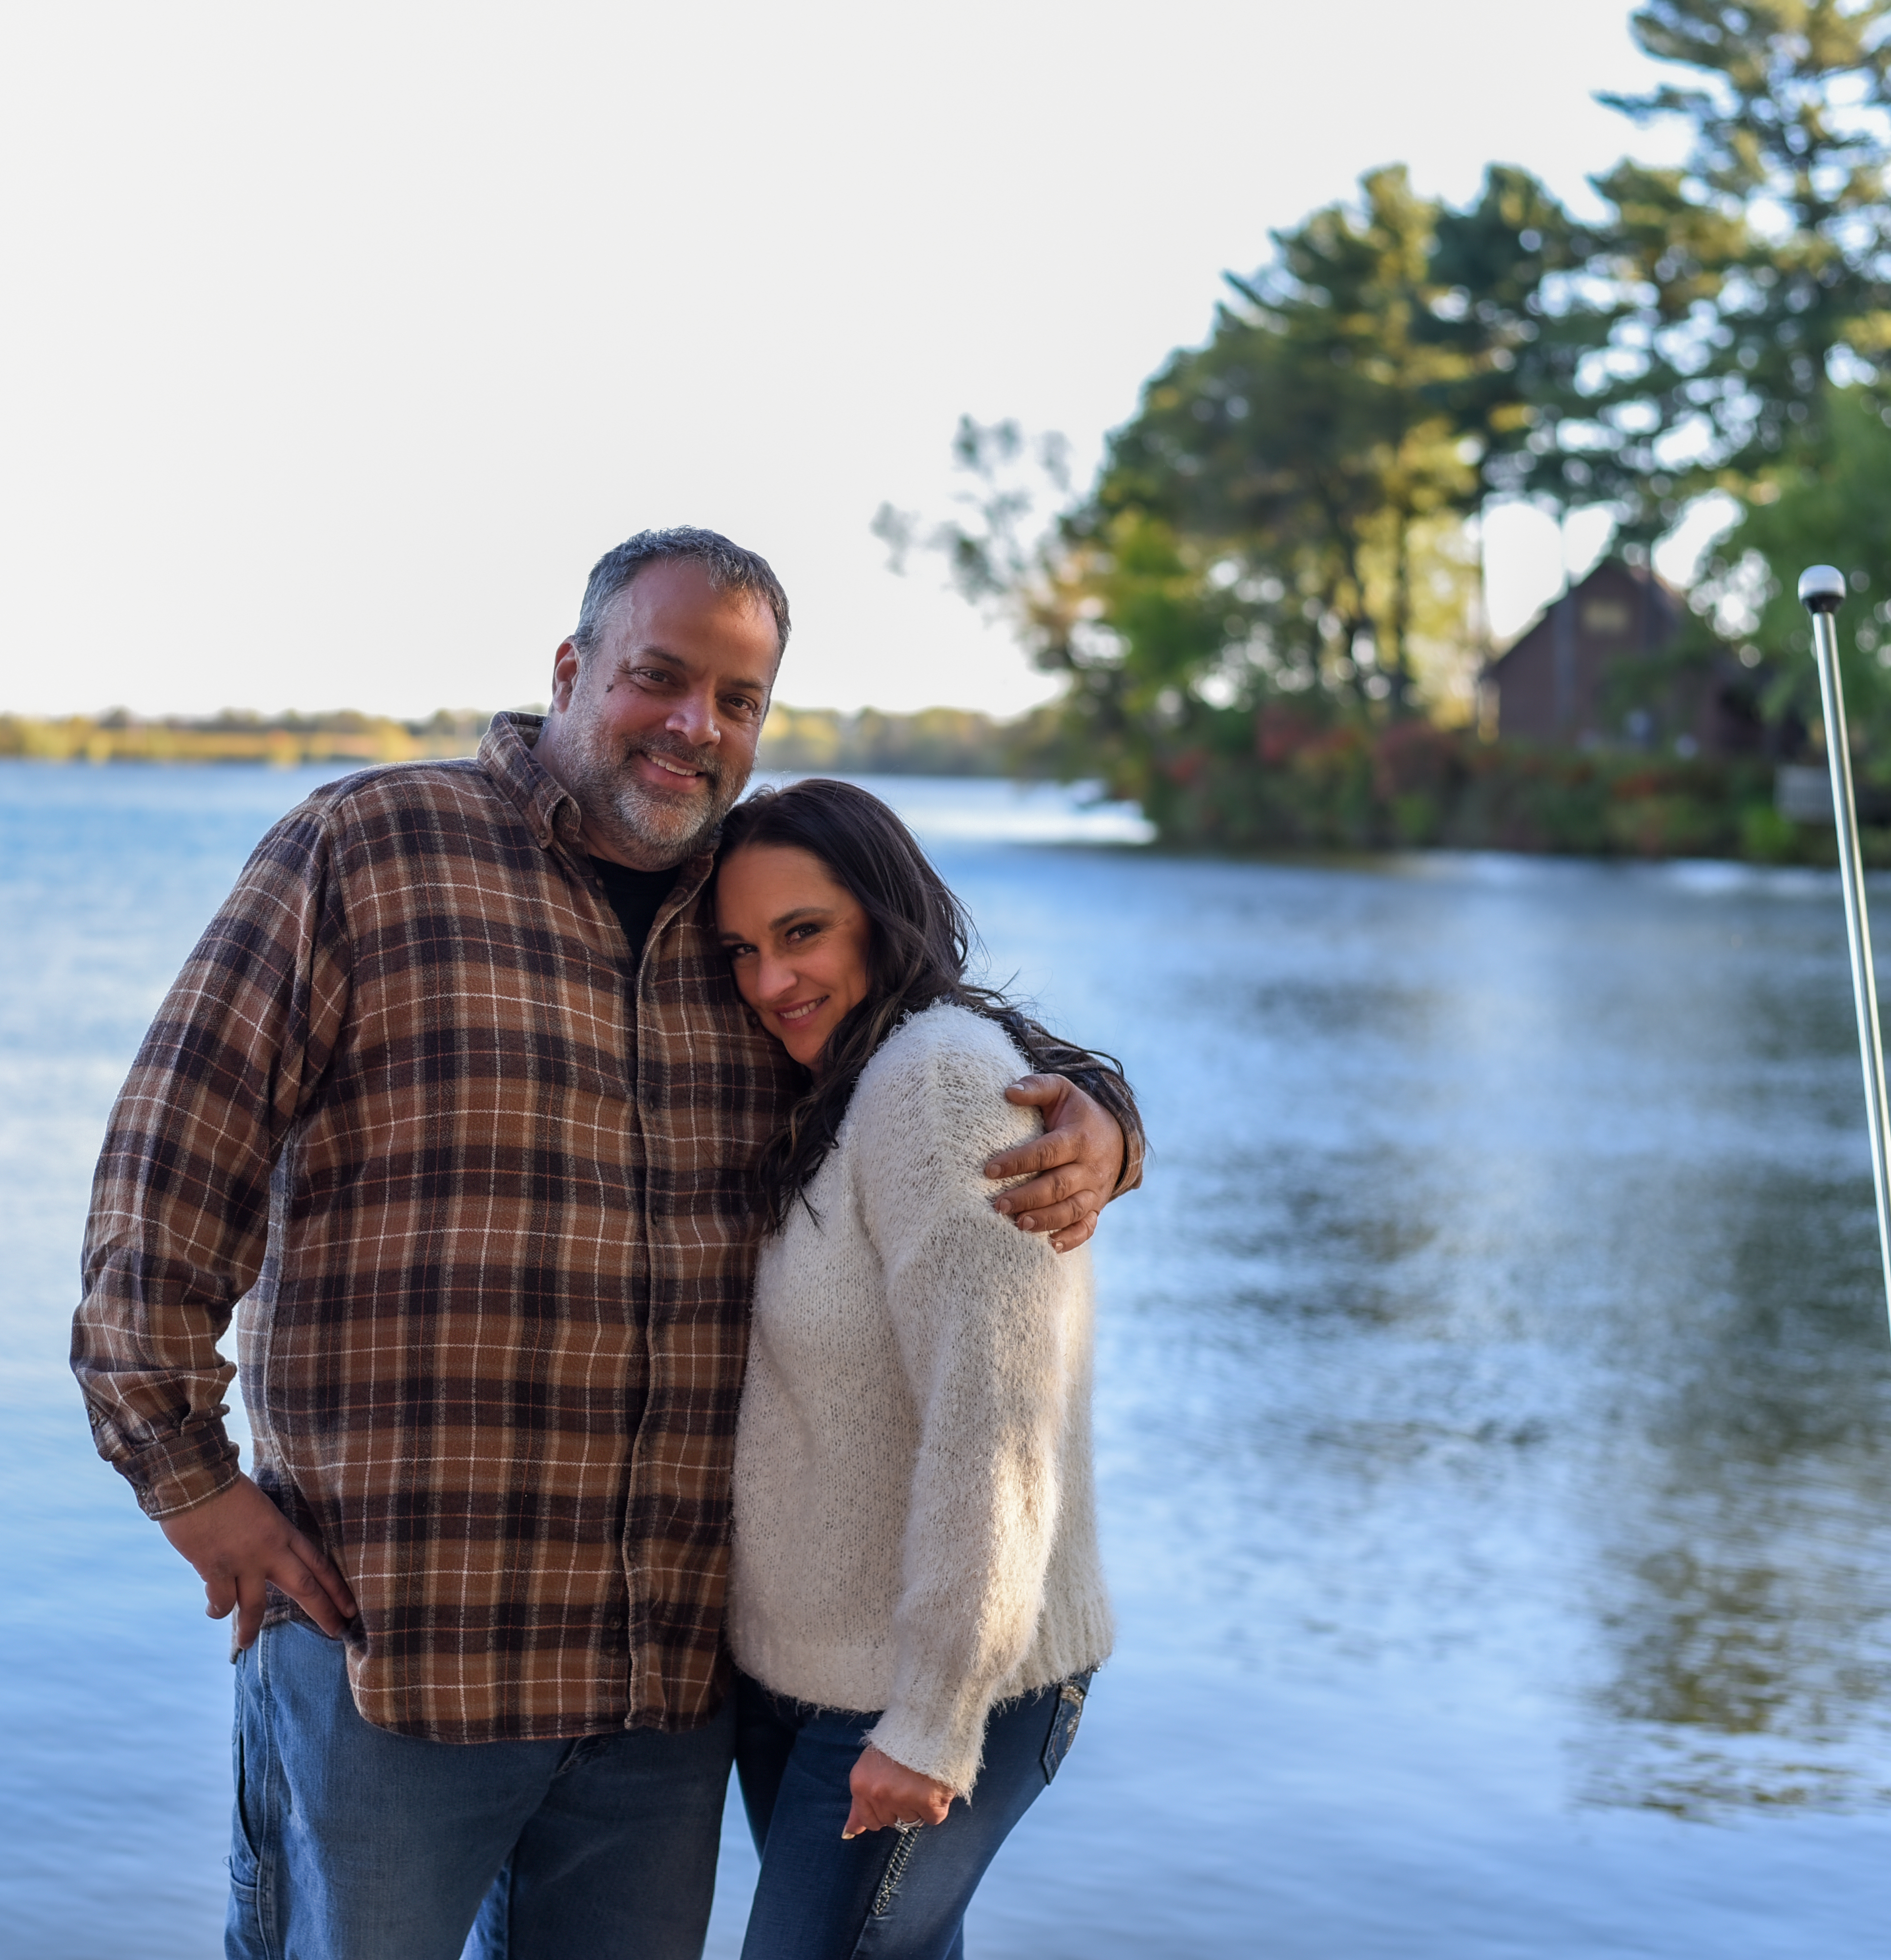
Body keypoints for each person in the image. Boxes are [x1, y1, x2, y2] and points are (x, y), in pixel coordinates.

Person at [70, 527, 1142, 1960]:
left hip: (663, 1701)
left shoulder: (751, 923)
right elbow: (165, 1170)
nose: (696, 725)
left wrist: (1114, 1128)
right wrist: (186, 1481)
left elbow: (970, 1057)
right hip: (402, 1655)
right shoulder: (370, 850)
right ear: (574, 670)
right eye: (660, 676)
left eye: (739, 700)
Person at [709, 779, 1120, 1960]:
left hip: (935, 1687)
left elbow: (996, 1410)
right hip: (804, 1679)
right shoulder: (826, 1087)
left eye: (803, 933)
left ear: (883, 917)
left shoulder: (934, 1080)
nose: (769, 981)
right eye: (740, 949)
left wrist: (934, 1717)